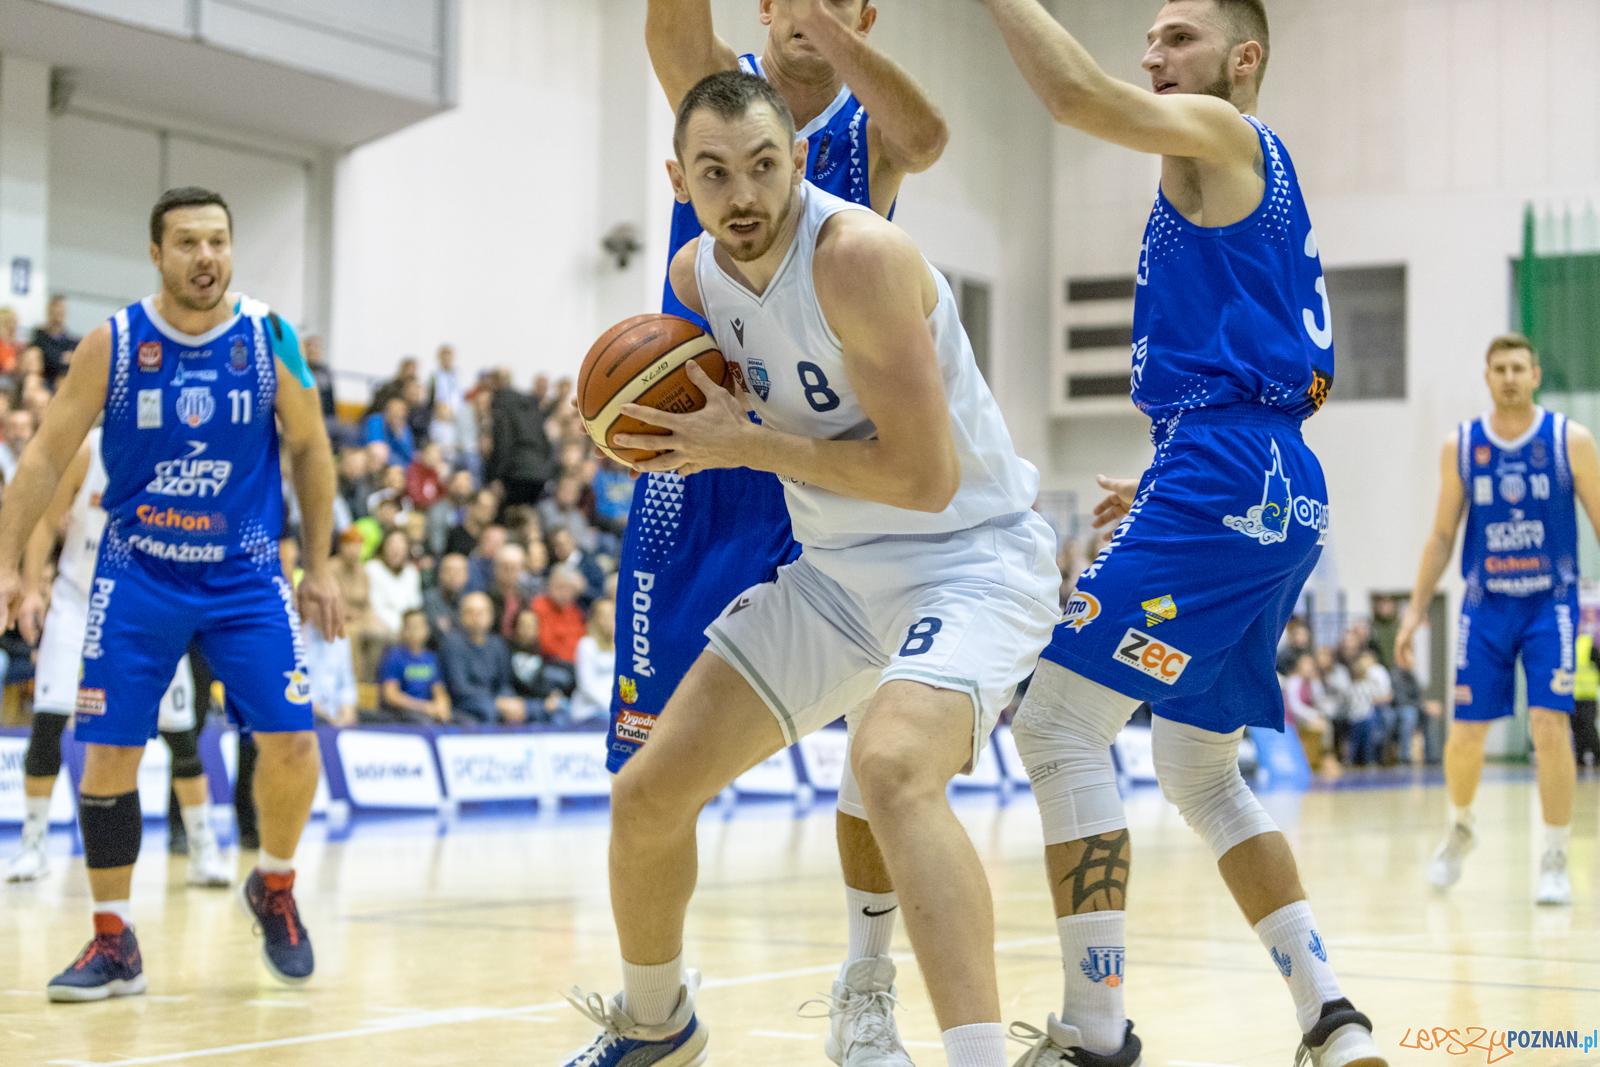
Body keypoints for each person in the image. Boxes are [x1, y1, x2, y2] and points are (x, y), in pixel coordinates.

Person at [561, 72, 1053, 1067]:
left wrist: (744, 445)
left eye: (761, 166)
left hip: (968, 559)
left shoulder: (858, 257)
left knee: (888, 764)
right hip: (834, 576)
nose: (742, 194)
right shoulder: (698, 278)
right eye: (713, 173)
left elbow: (922, 477)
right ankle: (658, 1023)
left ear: (796, 161)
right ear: (678, 181)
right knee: (647, 794)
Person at [977, 3, 1383, 1064]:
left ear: (1241, 59)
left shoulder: (1222, 133)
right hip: (1273, 479)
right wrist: (1178, 468)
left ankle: (1095, 1031)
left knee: (1059, 727)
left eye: (1179, 37)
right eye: (1148, 38)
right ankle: (1328, 1013)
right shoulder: (1249, 170)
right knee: (1200, 772)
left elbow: (1071, 100)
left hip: (1225, 470)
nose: (1153, 54)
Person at [606, 7, 950, 1060]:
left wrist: (833, 44)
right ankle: (657, 1008)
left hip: (825, 472)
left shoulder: (870, 116)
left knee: (874, 753)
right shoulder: (711, 87)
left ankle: (867, 982)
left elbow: (930, 142)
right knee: (648, 771)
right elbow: (668, 22)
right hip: (697, 471)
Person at [0, 186, 343, 999]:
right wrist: (11, 562)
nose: (207, 257)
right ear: (156, 254)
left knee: (294, 741)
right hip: (139, 571)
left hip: (245, 572)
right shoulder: (112, 343)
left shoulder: (270, 337)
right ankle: (113, 940)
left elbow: (312, 447)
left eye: (218, 241)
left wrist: (320, 563)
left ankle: (278, 884)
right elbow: (45, 458)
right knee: (111, 748)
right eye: (188, 242)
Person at [1395, 333, 1600, 907]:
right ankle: (1461, 825)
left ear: (1535, 375)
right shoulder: (1461, 445)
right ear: (1486, 377)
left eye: (1519, 367)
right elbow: (1441, 536)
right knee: (1464, 736)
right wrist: (1413, 611)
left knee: (1549, 726)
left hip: (1549, 603)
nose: (1509, 376)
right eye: (1499, 368)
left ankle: (1555, 853)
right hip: (1485, 606)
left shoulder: (1571, 441)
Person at [4, 429, 229, 890]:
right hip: (78, 601)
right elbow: (46, 521)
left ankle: (204, 848)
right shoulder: (88, 448)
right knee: (48, 719)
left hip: (148, 609)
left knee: (181, 735)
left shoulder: (177, 458)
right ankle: (33, 842)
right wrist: (30, 590)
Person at [438, 592, 526, 724]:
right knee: (488, 710)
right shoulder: (453, 643)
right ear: (462, 617)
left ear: (491, 616)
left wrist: (508, 700)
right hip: (466, 705)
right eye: (470, 612)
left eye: (481, 612)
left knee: (530, 709)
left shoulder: (498, 644)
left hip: (497, 701)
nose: (476, 617)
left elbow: (505, 683)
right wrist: (497, 702)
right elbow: (460, 688)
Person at [486, 372, 555, 509]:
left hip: (516, 473)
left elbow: (503, 444)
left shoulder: (502, 405)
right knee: (528, 515)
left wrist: (495, 476)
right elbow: (546, 444)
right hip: (539, 473)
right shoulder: (531, 409)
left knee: (511, 516)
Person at [377, 609, 451, 724]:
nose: (416, 629)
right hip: (402, 714)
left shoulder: (431, 658)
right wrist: (425, 707)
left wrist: (442, 706)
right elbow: (391, 695)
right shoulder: (394, 656)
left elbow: (439, 689)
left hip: (428, 711)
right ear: (404, 630)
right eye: (412, 626)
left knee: (466, 723)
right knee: (425, 723)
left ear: (427, 629)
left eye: (421, 625)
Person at [508, 609, 571, 721]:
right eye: (523, 625)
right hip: (517, 702)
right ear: (515, 628)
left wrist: (555, 693)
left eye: (531, 626)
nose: (527, 630)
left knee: (561, 706)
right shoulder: (506, 654)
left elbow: (566, 678)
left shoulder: (545, 657)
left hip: (543, 702)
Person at [364, 529, 423, 633]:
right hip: (378, 627)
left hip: (405, 631)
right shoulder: (372, 568)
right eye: (392, 546)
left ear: (407, 550)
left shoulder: (412, 573)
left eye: (400, 548)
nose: (396, 551)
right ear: (384, 547)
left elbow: (414, 606)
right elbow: (370, 607)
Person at [571, 598, 617, 724]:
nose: (609, 620)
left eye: (612, 615)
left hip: (616, 712)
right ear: (595, 619)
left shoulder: (622, 647)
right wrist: (613, 708)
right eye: (604, 616)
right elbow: (587, 685)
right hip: (590, 712)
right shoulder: (586, 645)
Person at [532, 564, 586, 666]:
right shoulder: (539, 606)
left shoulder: (575, 611)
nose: (564, 592)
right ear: (550, 584)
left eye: (569, 588)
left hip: (575, 664)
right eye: (560, 586)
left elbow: (580, 641)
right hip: (550, 663)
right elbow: (545, 644)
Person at [32, 293, 79, 387]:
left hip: (62, 381)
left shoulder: (69, 340)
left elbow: (73, 361)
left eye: (64, 309)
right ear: (50, 310)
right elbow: (44, 357)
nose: (61, 312)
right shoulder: (39, 335)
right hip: (43, 380)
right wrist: (62, 357)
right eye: (59, 308)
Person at [423, 552, 471, 641]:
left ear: (467, 576)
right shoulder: (428, 599)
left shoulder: (470, 602)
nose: (453, 575)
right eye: (449, 570)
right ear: (440, 574)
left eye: (458, 571)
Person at [1575, 629, 1600, 771]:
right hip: (1573, 695)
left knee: (1588, 727)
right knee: (1577, 727)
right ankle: (1580, 759)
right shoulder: (1568, 646)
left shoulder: (1589, 646)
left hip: (1588, 696)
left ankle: (1596, 756)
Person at [365, 396, 415, 465]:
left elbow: (408, 456)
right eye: (394, 409)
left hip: (399, 467)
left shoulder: (404, 428)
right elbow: (377, 448)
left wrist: (398, 434)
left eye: (401, 410)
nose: (397, 413)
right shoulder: (375, 420)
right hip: (377, 462)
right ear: (386, 410)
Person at [0, 408, 34, 483]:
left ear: (31, 431)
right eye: (14, 427)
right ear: (5, 430)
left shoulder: (38, 457)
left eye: (23, 427)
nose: (18, 433)